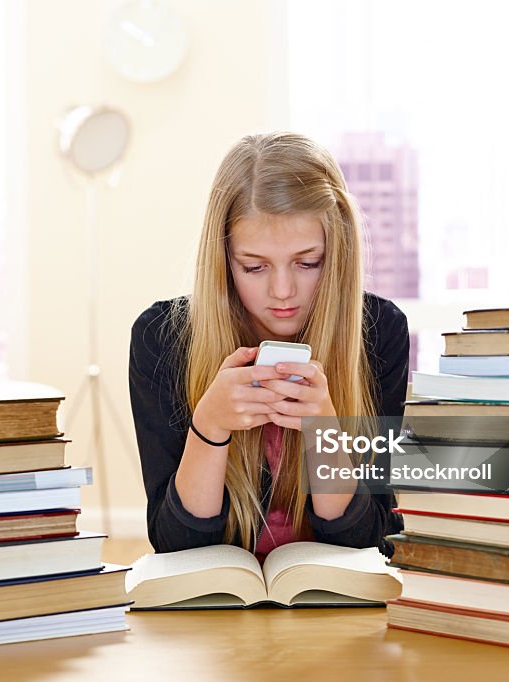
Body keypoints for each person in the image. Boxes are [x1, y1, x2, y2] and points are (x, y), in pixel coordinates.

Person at [129, 132, 409, 562]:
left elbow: (373, 540)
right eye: (254, 267)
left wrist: (325, 432)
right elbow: (173, 545)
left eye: (307, 262)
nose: (283, 291)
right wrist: (210, 425)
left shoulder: (380, 333)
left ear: (336, 253)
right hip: (215, 611)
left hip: (334, 606)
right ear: (224, 260)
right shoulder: (161, 339)